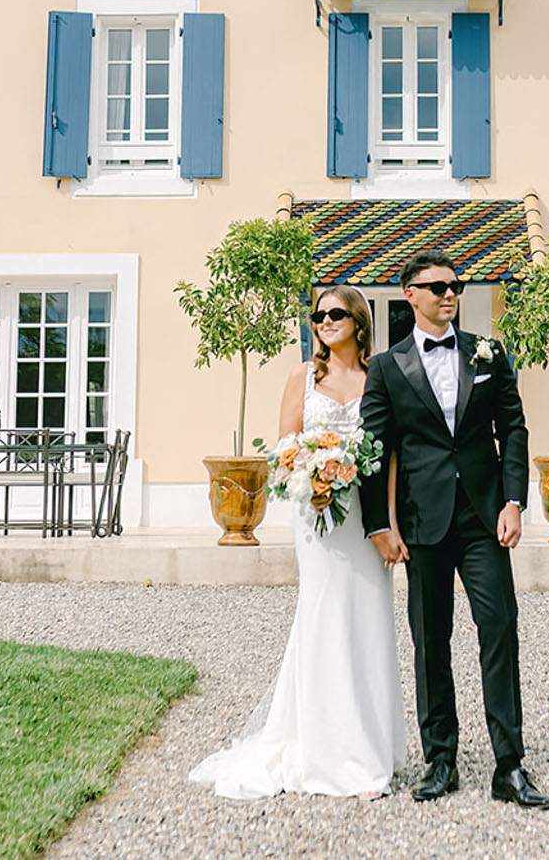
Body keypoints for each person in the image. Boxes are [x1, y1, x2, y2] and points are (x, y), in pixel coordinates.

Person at [188, 286, 407, 799]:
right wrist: (312, 473)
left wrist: (389, 523)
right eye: (319, 315)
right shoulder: (302, 377)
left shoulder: (380, 376)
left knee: (368, 622)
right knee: (324, 617)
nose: (325, 321)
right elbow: (285, 448)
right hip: (317, 516)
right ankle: (325, 752)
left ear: (358, 321)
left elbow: (391, 455)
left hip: (365, 520)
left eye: (336, 313)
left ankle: (369, 747)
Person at [360, 250, 549, 810]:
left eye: (456, 285)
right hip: (422, 523)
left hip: (482, 518)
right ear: (410, 294)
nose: (450, 294)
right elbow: (376, 451)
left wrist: (514, 500)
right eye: (438, 286)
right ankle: (440, 759)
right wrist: (380, 524)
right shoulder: (387, 367)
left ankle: (510, 766)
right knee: (430, 642)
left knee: (498, 629)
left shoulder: (488, 353)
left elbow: (513, 429)